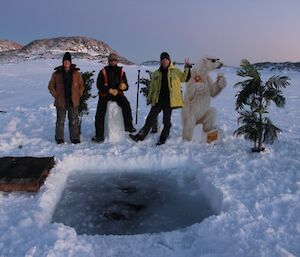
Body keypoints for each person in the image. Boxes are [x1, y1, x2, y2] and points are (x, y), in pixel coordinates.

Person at [129, 52, 190, 145]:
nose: (164, 61)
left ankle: (163, 137)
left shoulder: (176, 71)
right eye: (163, 60)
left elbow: (185, 78)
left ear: (169, 60)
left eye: (166, 59)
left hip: (169, 101)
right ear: (161, 61)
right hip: (158, 100)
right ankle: (140, 135)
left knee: (166, 120)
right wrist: (150, 98)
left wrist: (187, 67)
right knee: (150, 118)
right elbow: (152, 87)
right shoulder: (156, 73)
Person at [92, 53, 136, 143]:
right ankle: (99, 135)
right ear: (109, 62)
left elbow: (126, 86)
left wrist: (124, 86)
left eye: (114, 60)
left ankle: (129, 126)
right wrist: (109, 90)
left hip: (117, 94)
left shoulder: (121, 72)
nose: (113, 62)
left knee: (126, 105)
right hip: (105, 94)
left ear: (117, 61)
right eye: (111, 61)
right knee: (100, 113)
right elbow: (99, 85)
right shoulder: (103, 71)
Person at [48, 52, 84, 144]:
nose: (66, 63)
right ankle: (59, 138)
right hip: (61, 101)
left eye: (68, 61)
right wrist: (56, 95)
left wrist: (78, 94)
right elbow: (51, 86)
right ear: (63, 62)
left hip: (73, 100)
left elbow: (81, 86)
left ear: (70, 62)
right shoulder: (56, 73)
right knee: (60, 121)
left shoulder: (76, 73)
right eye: (65, 61)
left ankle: (75, 138)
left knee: (73, 120)